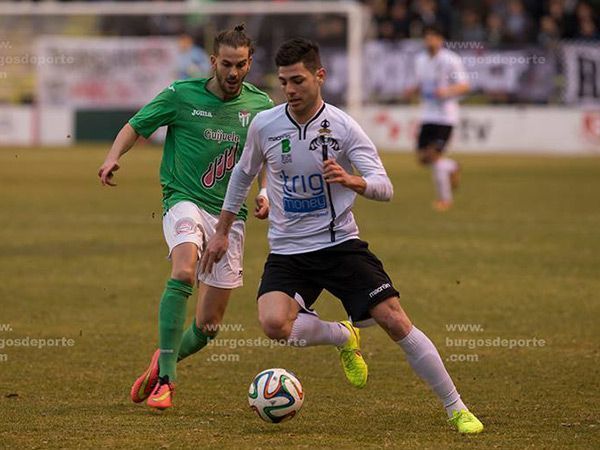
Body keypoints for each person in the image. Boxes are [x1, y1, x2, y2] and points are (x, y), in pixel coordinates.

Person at [201, 37, 484, 434]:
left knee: (394, 320)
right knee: (273, 325)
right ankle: (342, 336)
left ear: (320, 76)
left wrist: (353, 181)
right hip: (287, 252)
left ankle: (456, 407)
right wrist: (221, 232)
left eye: (298, 80)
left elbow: (385, 187)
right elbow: (242, 176)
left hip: (339, 246)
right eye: (283, 82)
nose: (290, 90)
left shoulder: (344, 127)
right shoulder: (265, 125)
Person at [97, 24, 273, 410]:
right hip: (184, 200)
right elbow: (136, 125)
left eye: (240, 65)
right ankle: (167, 381)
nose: (232, 72)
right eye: (226, 64)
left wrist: (264, 192)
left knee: (208, 327)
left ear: (249, 63)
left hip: (230, 217)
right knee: (182, 272)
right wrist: (113, 157)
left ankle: (164, 355)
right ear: (213, 61)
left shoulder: (261, 106)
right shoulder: (181, 95)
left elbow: (266, 157)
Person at [406, 25, 470, 211]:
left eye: (433, 37)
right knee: (423, 158)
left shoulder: (451, 60)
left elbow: (464, 86)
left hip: (445, 116)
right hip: (427, 114)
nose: (429, 41)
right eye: (427, 37)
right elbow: (420, 83)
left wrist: (447, 91)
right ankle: (452, 166)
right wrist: (413, 90)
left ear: (440, 40)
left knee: (434, 157)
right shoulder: (420, 60)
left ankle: (445, 200)